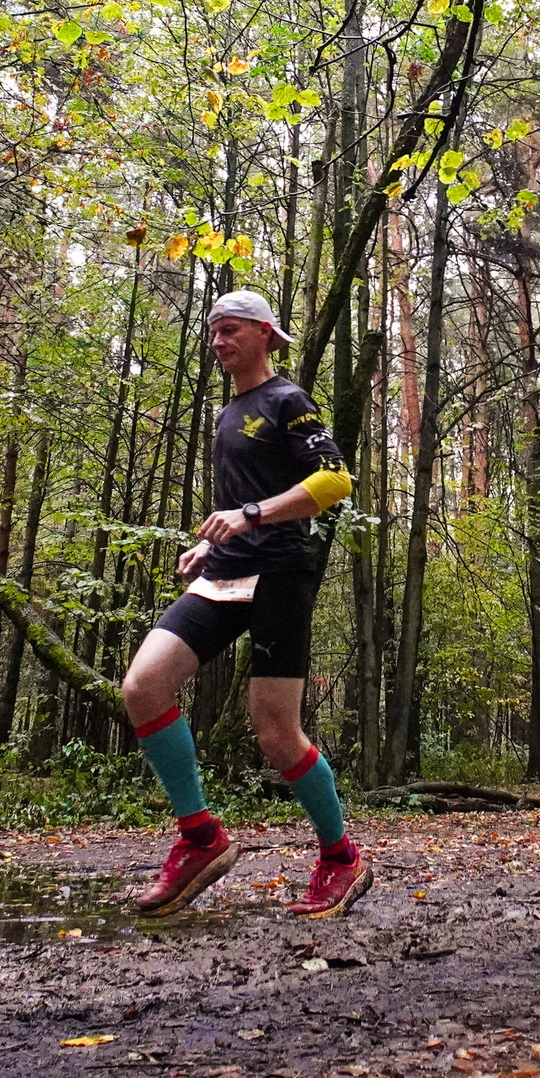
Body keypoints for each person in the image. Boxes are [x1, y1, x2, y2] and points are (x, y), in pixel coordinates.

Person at [118, 290, 370, 919]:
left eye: (230, 331)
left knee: (276, 732)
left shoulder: (287, 400)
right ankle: (201, 838)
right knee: (143, 688)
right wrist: (211, 546)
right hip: (224, 573)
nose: (218, 342)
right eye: (213, 333)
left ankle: (341, 857)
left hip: (281, 574)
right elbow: (239, 498)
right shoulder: (224, 415)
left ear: (264, 334)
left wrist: (253, 515)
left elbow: (337, 480)